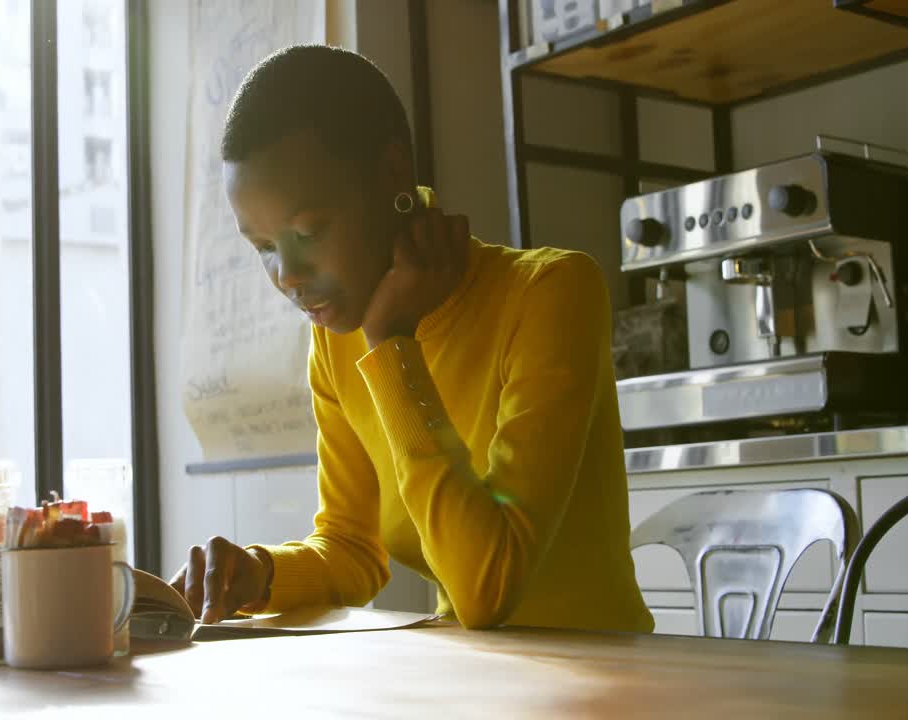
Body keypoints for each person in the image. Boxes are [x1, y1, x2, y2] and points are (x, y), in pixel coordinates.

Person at [171, 44, 652, 633]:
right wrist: (262, 573)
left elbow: (487, 588)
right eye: (265, 247)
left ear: (394, 175)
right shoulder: (338, 341)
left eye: (308, 230)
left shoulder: (551, 292)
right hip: (468, 684)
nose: (288, 276)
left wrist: (392, 342)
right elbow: (352, 547)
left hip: (607, 683)